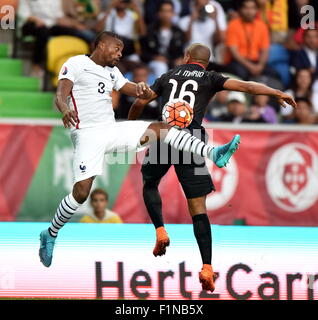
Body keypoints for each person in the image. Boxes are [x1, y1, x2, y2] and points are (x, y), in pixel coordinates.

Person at [39, 32, 244, 270]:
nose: (120, 54)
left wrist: (144, 90)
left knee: (164, 128)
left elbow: (132, 90)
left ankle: (213, 153)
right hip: (87, 135)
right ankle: (51, 233)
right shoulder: (76, 63)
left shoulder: (112, 72)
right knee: (81, 192)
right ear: (102, 44)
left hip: (111, 130)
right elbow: (61, 93)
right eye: (117, 49)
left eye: (122, 50)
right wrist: (64, 109)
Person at [128, 43, 297, 292]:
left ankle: (160, 230)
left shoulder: (167, 75)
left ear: (186, 57)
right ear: (206, 63)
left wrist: (131, 129)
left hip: (164, 137)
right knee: (198, 208)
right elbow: (248, 87)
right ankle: (207, 267)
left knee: (150, 183)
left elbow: (140, 103)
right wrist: (276, 93)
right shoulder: (210, 78)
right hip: (192, 140)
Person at [18, 0, 96, 76]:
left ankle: (92, 62)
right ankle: (36, 65)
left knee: (76, 33)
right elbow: (24, 14)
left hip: (50, 25)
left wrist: (73, 25)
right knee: (42, 32)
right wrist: (37, 20)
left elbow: (59, 16)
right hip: (31, 24)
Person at [224, 0, 271, 80]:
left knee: (274, 74)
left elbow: (265, 50)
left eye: (252, 8)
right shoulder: (233, 25)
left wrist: (260, 66)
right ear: (240, 10)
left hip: (256, 62)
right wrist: (251, 67)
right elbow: (234, 52)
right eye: (246, 8)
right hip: (238, 62)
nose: (249, 12)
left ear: (257, 10)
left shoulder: (262, 26)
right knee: (242, 74)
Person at [140, 0, 185, 78]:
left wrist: (178, 59)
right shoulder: (150, 30)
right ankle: (160, 89)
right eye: (163, 11)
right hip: (154, 62)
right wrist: (154, 57)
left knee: (181, 67)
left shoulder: (178, 32)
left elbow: (180, 52)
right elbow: (143, 53)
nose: (166, 14)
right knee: (161, 66)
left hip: (171, 62)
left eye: (169, 11)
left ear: (173, 13)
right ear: (159, 13)